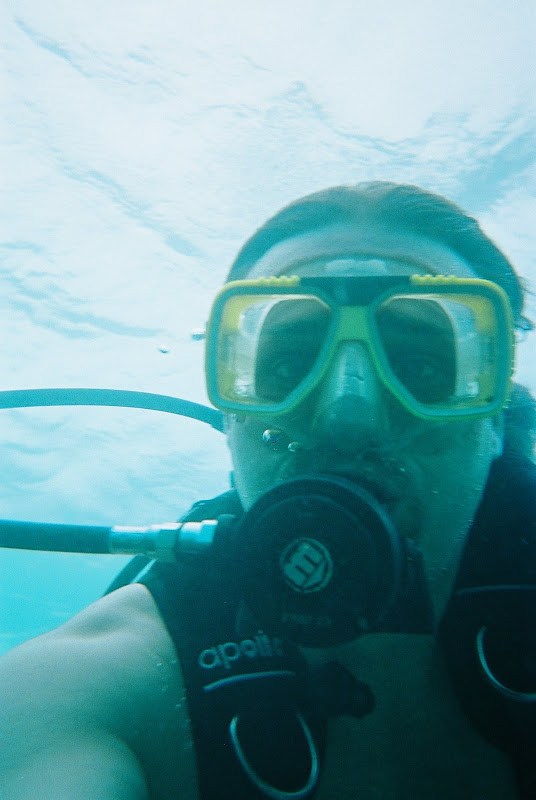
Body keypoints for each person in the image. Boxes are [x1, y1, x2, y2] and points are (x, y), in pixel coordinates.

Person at [1, 181, 535, 800]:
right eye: (286, 366)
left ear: (494, 419)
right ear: (230, 417)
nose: (347, 416)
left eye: (420, 365)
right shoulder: (116, 676)